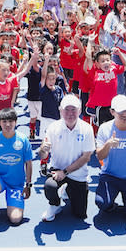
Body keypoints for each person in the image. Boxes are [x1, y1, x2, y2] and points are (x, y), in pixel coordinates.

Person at [39, 93, 95, 222]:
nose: (70, 113)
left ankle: (67, 190)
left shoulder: (87, 129)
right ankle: (54, 205)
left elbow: (86, 157)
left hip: (77, 174)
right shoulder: (53, 128)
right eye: (67, 110)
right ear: (60, 111)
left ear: (80, 110)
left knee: (80, 214)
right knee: (50, 186)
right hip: (57, 170)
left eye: (73, 110)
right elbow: (43, 155)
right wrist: (43, 150)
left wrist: (64, 172)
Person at [94, 94, 126, 226]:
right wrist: (108, 144)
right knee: (102, 203)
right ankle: (114, 204)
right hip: (110, 177)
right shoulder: (104, 129)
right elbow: (99, 156)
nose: (125, 114)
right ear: (112, 112)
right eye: (121, 111)